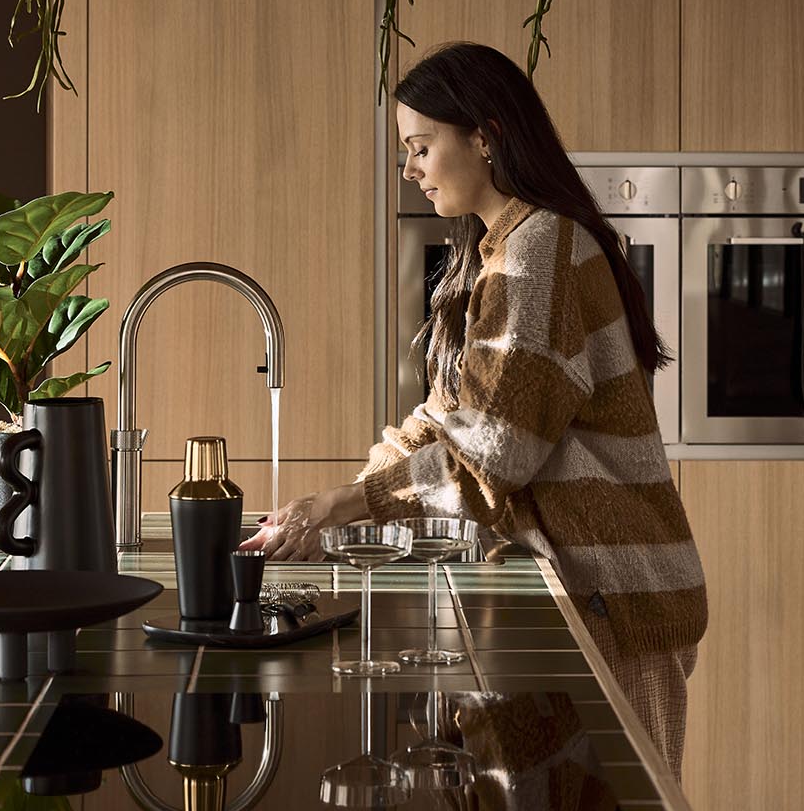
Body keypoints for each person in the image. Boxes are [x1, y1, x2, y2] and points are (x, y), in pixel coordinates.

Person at [238, 41, 708, 767]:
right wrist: (331, 505)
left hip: (612, 601)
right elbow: (445, 413)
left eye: (421, 147)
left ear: (484, 136)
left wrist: (346, 504)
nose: (410, 170)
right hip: (581, 595)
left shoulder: (539, 250)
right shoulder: (498, 252)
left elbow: (494, 454)